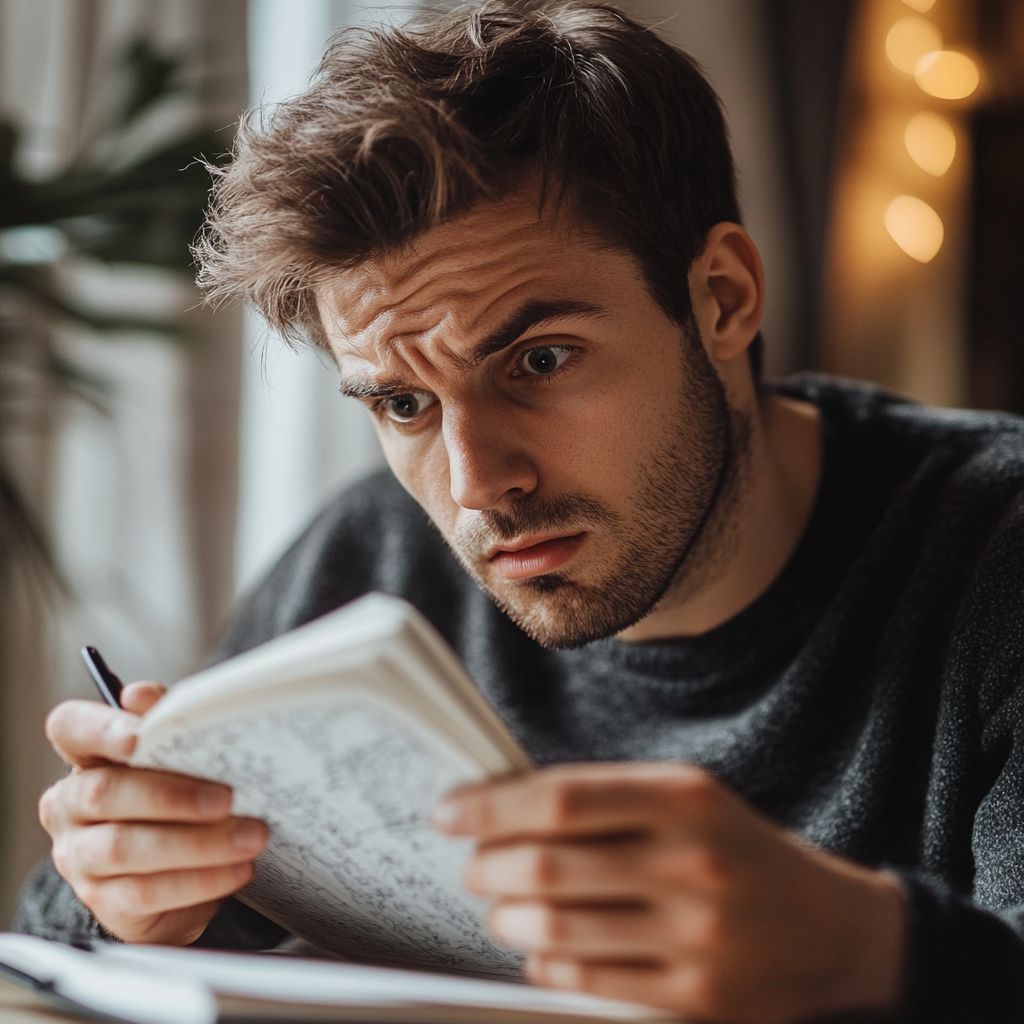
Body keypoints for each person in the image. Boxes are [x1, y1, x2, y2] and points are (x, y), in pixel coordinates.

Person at [17, 2, 1024, 1021]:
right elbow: (57, 956)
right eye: (404, 404)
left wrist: (871, 952)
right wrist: (122, 891)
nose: (474, 482)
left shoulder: (995, 552)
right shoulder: (370, 558)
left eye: (538, 361)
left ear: (721, 297)